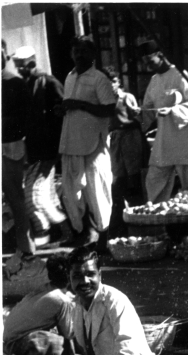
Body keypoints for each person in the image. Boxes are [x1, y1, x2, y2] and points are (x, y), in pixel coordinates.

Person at [24, 246, 165, 355]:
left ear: (100, 274)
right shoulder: (77, 305)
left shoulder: (115, 301)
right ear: (69, 279)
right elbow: (90, 354)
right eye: (77, 276)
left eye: (90, 274)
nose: (84, 281)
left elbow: (128, 349)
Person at [56, 37, 116, 248]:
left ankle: (104, 240)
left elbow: (109, 109)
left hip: (94, 145)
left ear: (93, 55)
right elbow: (71, 106)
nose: (79, 55)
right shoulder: (70, 77)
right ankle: (85, 235)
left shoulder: (99, 79)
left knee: (98, 192)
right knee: (72, 195)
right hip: (71, 143)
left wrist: (80, 104)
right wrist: (66, 108)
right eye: (76, 51)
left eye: (83, 51)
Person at [12, 46, 68, 243]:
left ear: (33, 63)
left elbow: (65, 113)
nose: (20, 71)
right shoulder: (25, 85)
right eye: (18, 67)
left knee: (33, 196)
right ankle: (60, 231)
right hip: (34, 150)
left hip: (48, 148)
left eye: (23, 67)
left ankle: (48, 233)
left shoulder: (48, 82)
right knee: (44, 196)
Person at [139, 39, 188, 203]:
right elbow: (147, 109)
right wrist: (136, 112)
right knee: (154, 180)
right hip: (164, 141)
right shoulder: (154, 80)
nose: (148, 66)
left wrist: (172, 111)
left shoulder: (180, 76)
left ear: (160, 55)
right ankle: (158, 219)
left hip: (184, 139)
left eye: (150, 61)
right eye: (145, 62)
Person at [3, 255, 75, 355]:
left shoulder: (47, 288)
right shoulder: (62, 300)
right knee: (58, 342)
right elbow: (69, 333)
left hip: (8, 339)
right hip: (16, 345)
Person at [2, 39, 39, 271]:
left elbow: (28, 118)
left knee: (16, 200)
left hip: (9, 147)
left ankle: (26, 251)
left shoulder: (14, 82)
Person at [104, 67, 143, 234]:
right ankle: (121, 220)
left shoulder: (126, 97)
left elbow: (138, 117)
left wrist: (135, 114)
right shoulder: (104, 100)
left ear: (118, 82)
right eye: (107, 82)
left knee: (133, 176)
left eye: (113, 81)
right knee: (118, 178)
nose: (110, 85)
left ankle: (138, 215)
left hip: (130, 137)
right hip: (114, 139)